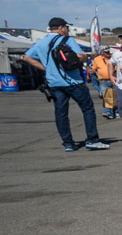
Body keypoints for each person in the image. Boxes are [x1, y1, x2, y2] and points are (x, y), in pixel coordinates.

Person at [22, 17, 108, 151]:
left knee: (61, 113)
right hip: (73, 81)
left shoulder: (40, 43)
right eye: (66, 27)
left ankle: (68, 143)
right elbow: (80, 56)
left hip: (54, 83)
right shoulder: (67, 40)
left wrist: (45, 68)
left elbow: (26, 57)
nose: (67, 30)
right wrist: (84, 57)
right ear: (61, 27)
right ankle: (92, 139)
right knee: (87, 109)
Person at [91, 47, 116, 119]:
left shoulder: (113, 58)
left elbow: (117, 68)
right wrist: (91, 72)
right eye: (106, 52)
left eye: (108, 52)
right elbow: (94, 69)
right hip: (103, 80)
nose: (108, 53)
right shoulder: (97, 59)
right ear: (102, 52)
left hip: (114, 79)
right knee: (107, 96)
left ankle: (116, 112)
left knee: (114, 96)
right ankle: (108, 112)